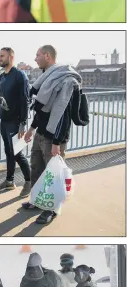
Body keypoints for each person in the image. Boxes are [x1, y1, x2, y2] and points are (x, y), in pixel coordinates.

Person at [22, 45, 83, 225]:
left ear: (47, 56)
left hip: (54, 138)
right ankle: (37, 200)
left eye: (37, 55)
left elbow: (62, 114)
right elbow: (42, 111)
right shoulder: (47, 79)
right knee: (36, 168)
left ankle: (52, 209)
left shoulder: (66, 80)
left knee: (53, 176)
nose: (35, 58)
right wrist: (32, 128)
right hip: (41, 133)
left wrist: (57, 142)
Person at [0, 47, 31, 197]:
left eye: (2, 56)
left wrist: (23, 124)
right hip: (4, 122)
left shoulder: (20, 76)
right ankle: (10, 181)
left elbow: (24, 101)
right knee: (8, 152)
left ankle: (29, 182)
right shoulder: (1, 78)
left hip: (15, 122)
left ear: (11, 57)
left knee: (17, 153)